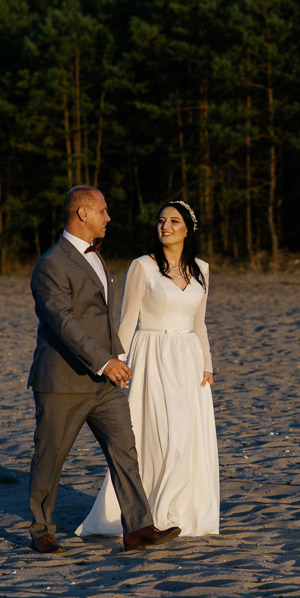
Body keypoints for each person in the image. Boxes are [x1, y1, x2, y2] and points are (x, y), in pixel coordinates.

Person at [27, 185, 181, 554]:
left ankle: (138, 527)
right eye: (103, 211)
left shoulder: (98, 257)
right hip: (63, 381)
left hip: (105, 383)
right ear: (82, 214)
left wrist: (116, 358)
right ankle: (41, 531)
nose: (108, 218)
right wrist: (105, 360)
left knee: (125, 450)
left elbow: (101, 319)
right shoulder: (50, 264)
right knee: (51, 456)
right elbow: (64, 323)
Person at [76, 200, 220, 538]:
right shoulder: (142, 266)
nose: (165, 227)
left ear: (188, 229)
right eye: (161, 221)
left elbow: (199, 322)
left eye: (173, 221)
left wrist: (207, 362)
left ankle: (179, 511)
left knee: (186, 436)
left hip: (188, 360)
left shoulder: (202, 268)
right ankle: (153, 513)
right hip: (152, 356)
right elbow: (126, 321)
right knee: (159, 436)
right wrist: (117, 363)